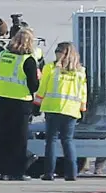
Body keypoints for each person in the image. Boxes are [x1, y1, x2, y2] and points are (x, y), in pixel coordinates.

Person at [33, 42, 87, 181]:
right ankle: (71, 173)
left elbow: (42, 88)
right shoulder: (80, 71)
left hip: (52, 108)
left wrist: (36, 104)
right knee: (67, 141)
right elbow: (83, 92)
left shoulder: (50, 68)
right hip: (71, 110)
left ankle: (49, 173)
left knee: (51, 141)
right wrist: (82, 109)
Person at [0, 28, 39, 181]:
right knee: (19, 138)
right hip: (20, 101)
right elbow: (34, 85)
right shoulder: (28, 60)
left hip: (1, 99)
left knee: (4, 135)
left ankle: (1, 169)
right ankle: (17, 171)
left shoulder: (3, 55)